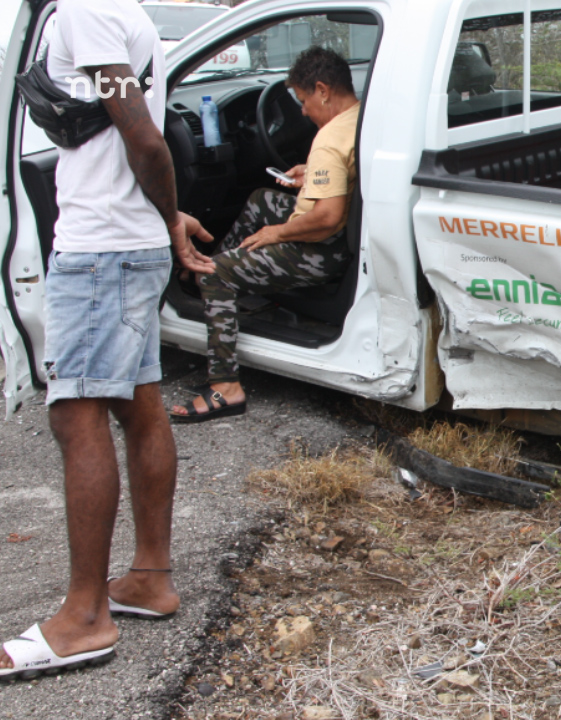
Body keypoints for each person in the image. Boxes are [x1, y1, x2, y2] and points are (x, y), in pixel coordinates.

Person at [0, 0, 214, 680]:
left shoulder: (86, 9)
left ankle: (85, 615)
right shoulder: (119, 8)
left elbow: (145, 140)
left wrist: (172, 223)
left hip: (101, 249)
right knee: (138, 403)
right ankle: (150, 577)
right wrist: (165, 220)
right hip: (126, 244)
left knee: (77, 412)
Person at [169, 46, 360, 422]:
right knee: (261, 199)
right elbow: (343, 184)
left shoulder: (328, 138)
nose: (302, 111)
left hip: (320, 248)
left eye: (303, 100)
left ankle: (226, 387)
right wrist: (311, 175)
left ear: (323, 90)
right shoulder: (361, 117)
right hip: (343, 237)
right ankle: (218, 283)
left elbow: (326, 216)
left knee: (218, 273)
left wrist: (277, 233)